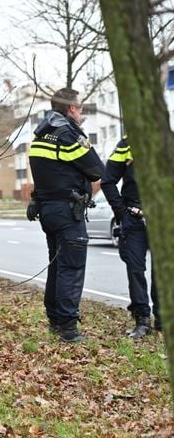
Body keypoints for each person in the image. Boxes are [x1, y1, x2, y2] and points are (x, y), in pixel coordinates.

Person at [27, 88, 104, 342]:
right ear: (71, 108)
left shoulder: (40, 134)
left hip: (48, 210)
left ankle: (55, 320)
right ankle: (68, 329)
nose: (81, 112)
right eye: (80, 108)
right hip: (67, 211)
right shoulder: (68, 134)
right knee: (71, 267)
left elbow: (44, 173)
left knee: (57, 265)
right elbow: (96, 169)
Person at [100, 135, 160, 338]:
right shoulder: (127, 144)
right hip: (134, 220)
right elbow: (107, 181)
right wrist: (121, 213)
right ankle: (142, 320)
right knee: (135, 270)